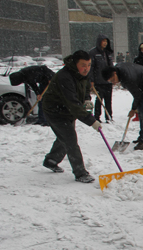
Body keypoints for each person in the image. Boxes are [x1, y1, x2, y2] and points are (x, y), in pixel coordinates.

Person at [41, 50, 102, 183]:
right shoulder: (65, 77)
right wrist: (91, 121)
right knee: (70, 139)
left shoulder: (81, 74)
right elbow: (73, 103)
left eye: (89, 65)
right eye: (83, 65)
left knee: (65, 136)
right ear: (75, 64)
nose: (86, 68)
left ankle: (51, 160)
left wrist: (86, 99)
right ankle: (80, 173)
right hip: (55, 111)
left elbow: (85, 86)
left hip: (67, 110)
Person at [102, 63, 143, 150]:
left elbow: (137, 95)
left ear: (114, 73)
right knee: (141, 111)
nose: (114, 82)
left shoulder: (127, 79)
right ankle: (142, 137)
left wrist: (133, 109)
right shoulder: (119, 69)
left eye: (113, 79)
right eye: (111, 82)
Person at [89, 34, 114, 123]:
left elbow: (111, 66)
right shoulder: (93, 53)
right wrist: (91, 79)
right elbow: (91, 67)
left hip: (108, 81)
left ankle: (109, 116)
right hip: (99, 81)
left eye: (106, 41)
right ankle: (97, 116)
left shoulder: (108, 53)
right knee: (99, 99)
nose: (105, 43)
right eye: (103, 41)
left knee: (108, 100)